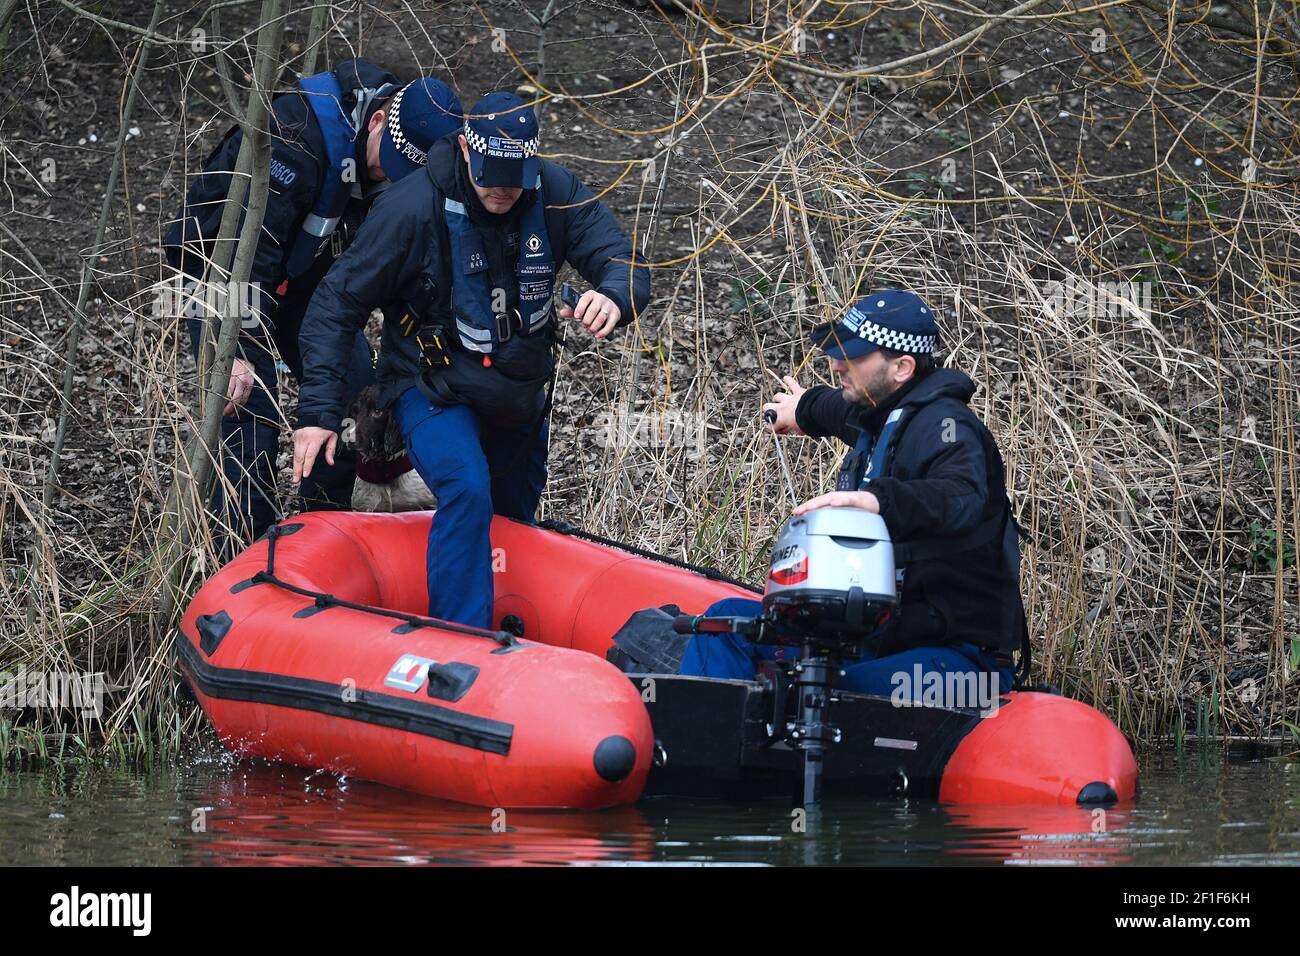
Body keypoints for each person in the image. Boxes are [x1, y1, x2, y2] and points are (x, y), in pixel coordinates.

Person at [293, 92, 651, 628]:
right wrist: (319, 413)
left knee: (513, 517)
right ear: (464, 148)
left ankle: (516, 635)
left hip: (517, 393)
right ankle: (461, 637)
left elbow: (616, 253)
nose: (504, 189)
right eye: (492, 175)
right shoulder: (411, 209)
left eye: (516, 176)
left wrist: (615, 294)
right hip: (431, 386)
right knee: (465, 486)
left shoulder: (552, 191)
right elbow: (334, 303)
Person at [163, 61, 462, 548]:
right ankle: (243, 555)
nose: (388, 178)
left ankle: (322, 533)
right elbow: (247, 251)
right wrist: (233, 347)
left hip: (298, 277)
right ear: (378, 121)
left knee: (353, 386)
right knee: (248, 417)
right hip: (221, 277)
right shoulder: (296, 137)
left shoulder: (396, 158)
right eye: (389, 164)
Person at [676, 289, 1026, 697]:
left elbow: (961, 495)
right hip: (874, 637)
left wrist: (877, 500)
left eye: (855, 356)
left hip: (955, 662)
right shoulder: (881, 411)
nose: (837, 364)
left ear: (902, 367)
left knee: (827, 693)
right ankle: (700, 752)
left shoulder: (948, 427)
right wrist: (802, 409)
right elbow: (837, 411)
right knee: (725, 623)